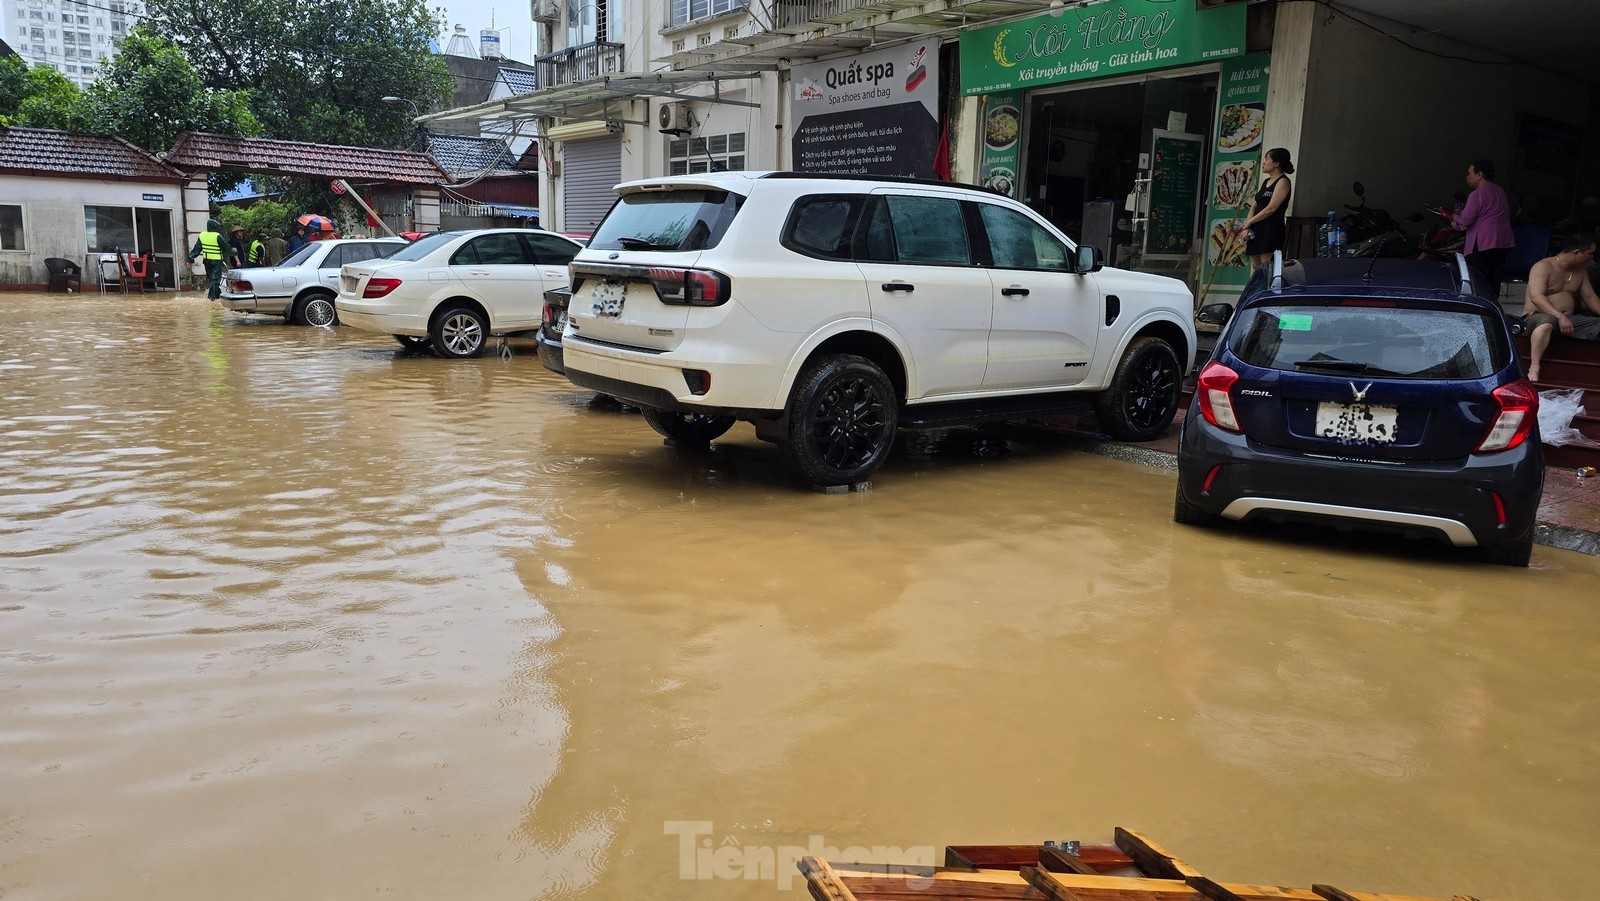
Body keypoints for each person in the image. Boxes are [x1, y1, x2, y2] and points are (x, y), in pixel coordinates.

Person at [1521, 231, 1599, 383]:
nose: (1592, 258)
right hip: (1537, 316)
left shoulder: (1580, 272)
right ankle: (1534, 367)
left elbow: (1590, 298)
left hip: (1569, 321)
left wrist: (1564, 318)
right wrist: (1560, 316)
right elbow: (1537, 297)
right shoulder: (1543, 266)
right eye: (1590, 254)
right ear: (1576, 252)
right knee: (1546, 323)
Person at [1453, 158, 1515, 300]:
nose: (1467, 177)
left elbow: (1465, 221)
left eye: (1470, 174)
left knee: (1478, 280)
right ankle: (1493, 307)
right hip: (1503, 242)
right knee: (1494, 280)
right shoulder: (1500, 191)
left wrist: (1455, 219)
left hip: (1483, 243)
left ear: (1479, 174)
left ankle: (1478, 306)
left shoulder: (1477, 194)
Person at [1242, 147, 1294, 271]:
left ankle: (1269, 290)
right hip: (1256, 228)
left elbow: (1271, 209)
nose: (1264, 163)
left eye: (1267, 159)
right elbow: (1254, 205)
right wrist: (1247, 227)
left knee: (1267, 267)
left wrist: (1249, 222)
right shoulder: (1265, 181)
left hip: (1270, 229)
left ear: (1276, 163)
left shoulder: (1283, 182)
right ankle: (1257, 290)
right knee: (1256, 267)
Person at [186, 217, 229, 300]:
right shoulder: (218, 236)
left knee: (211, 280)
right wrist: (234, 251)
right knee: (215, 280)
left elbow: (196, 249)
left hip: (207, 262)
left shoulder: (202, 235)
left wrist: (190, 259)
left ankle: (217, 296)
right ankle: (211, 300)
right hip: (216, 262)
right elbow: (226, 248)